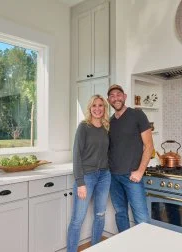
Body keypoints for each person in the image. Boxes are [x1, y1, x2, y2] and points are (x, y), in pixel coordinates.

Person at [107, 84, 154, 232]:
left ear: (125, 96)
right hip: (113, 176)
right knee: (121, 214)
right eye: (112, 96)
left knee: (141, 218)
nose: (116, 98)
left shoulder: (137, 115)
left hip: (132, 176)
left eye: (118, 94)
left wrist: (140, 171)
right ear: (109, 100)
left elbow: (149, 146)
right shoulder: (110, 122)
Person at [67, 94, 111, 252]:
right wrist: (80, 182)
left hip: (105, 176)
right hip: (87, 177)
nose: (97, 109)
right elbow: (76, 154)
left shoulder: (107, 127)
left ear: (104, 108)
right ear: (90, 108)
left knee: (100, 215)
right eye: (94, 105)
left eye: (101, 105)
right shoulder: (83, 127)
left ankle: (95, 248)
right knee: (77, 220)